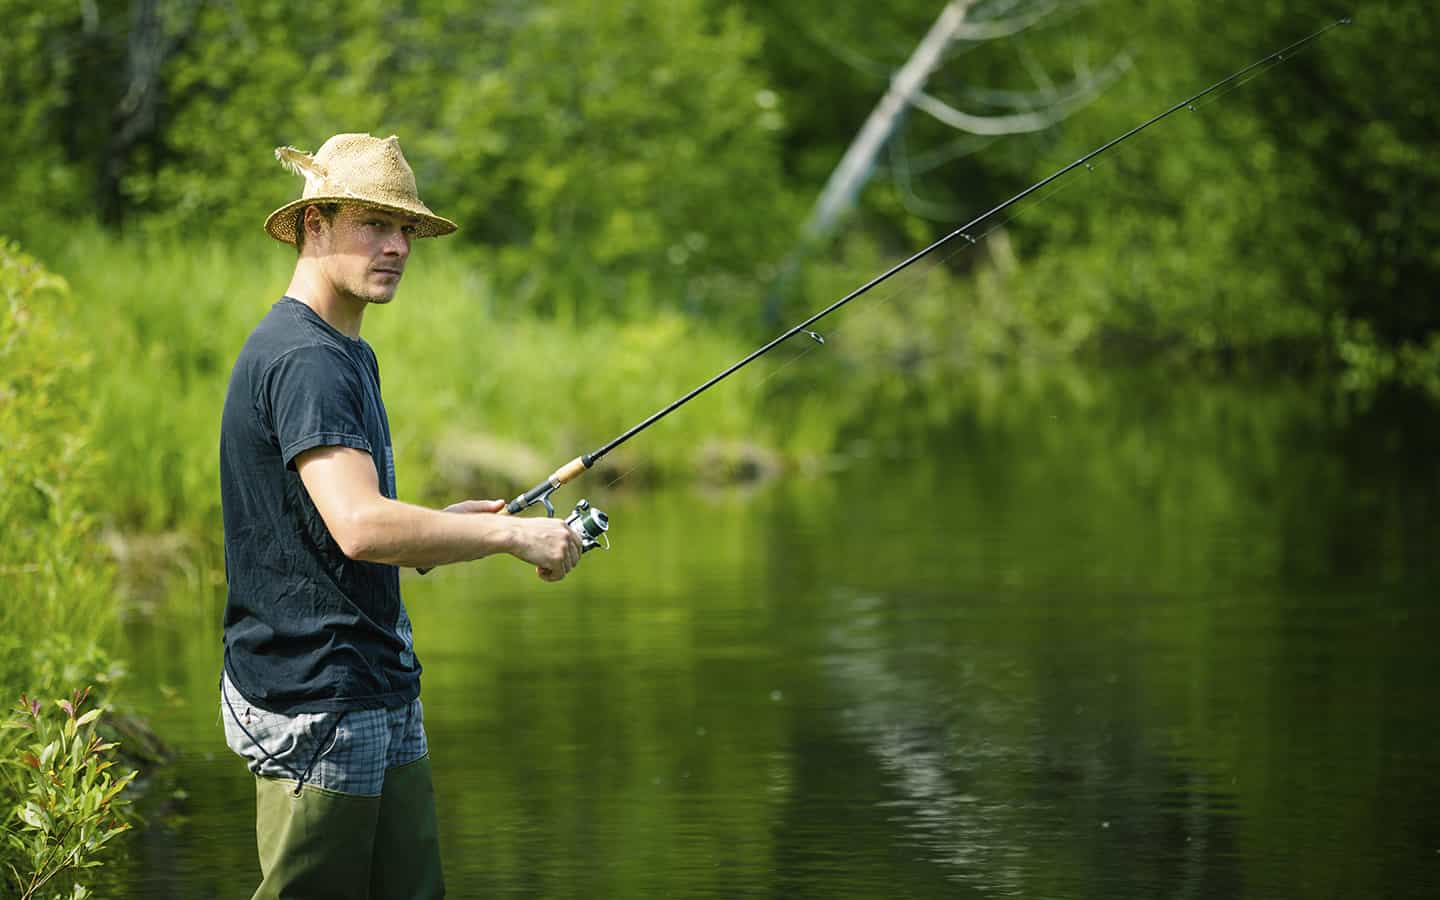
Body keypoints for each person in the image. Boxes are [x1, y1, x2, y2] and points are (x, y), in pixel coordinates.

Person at [218, 132, 583, 899]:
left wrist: (440, 532)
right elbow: (360, 527)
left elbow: (339, 526)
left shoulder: (349, 351)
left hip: (377, 683)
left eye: (406, 228)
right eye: (374, 225)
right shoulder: (306, 358)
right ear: (314, 223)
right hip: (319, 699)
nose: (397, 247)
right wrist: (511, 533)